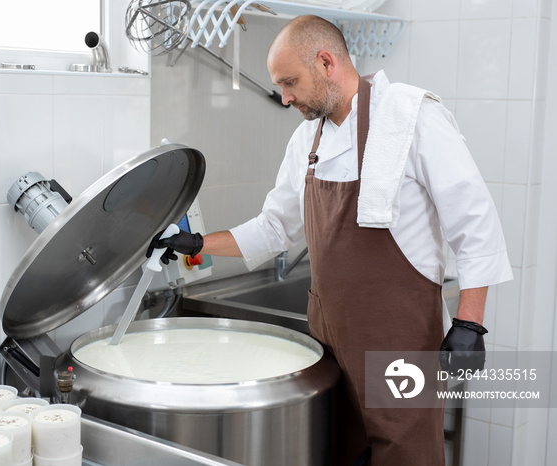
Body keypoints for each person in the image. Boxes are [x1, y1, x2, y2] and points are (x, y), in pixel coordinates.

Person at [148, 15, 512, 466]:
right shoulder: (307, 140)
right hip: (331, 343)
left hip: (398, 344)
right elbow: (275, 228)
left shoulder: (411, 116)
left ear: (325, 62)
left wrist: (469, 324)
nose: (284, 98)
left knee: (405, 455)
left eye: (289, 82)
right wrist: (199, 243)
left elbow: (474, 220)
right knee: (340, 450)